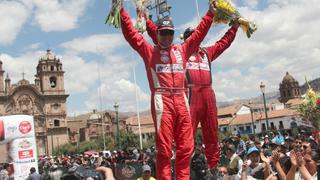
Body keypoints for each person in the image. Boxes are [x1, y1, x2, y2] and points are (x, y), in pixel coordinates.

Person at [119, 1, 215, 179]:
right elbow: (131, 35)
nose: (166, 36)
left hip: (181, 98)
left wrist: (210, 13)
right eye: (163, 33)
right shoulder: (149, 50)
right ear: (157, 33)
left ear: (173, 33)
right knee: (164, 150)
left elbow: (198, 35)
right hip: (162, 100)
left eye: (169, 33)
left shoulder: (182, 50)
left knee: (186, 147)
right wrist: (121, 11)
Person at [145, 10, 239, 173]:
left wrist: (235, 28)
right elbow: (158, 37)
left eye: (194, 35)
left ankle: (213, 168)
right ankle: (187, 169)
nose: (192, 38)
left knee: (212, 134)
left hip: (208, 95)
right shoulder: (180, 52)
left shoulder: (207, 53)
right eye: (188, 36)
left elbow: (223, 43)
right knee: (186, 137)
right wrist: (147, 22)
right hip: (189, 95)